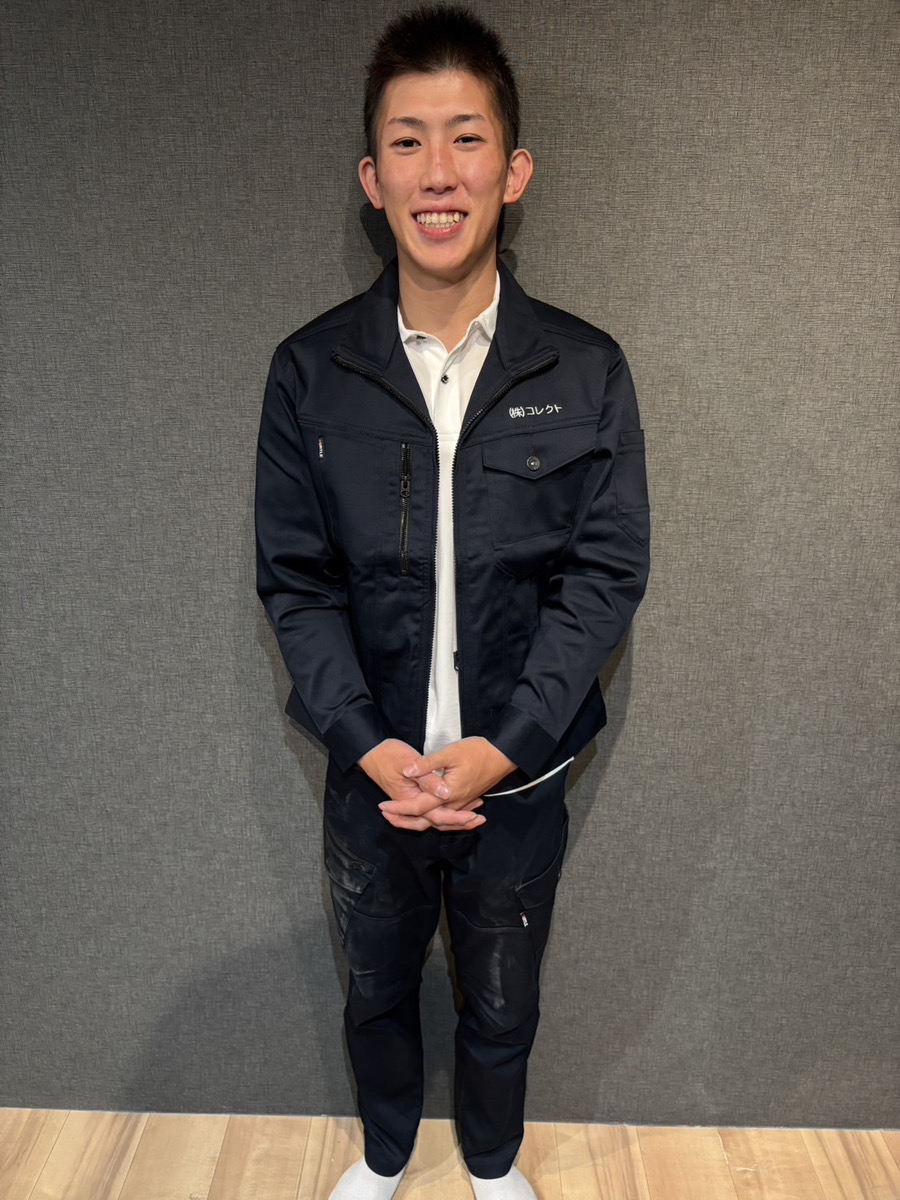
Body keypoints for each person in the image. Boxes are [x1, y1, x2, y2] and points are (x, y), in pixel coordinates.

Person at [254, 6, 650, 1197]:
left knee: (503, 995)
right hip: (370, 774)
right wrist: (368, 745)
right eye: (409, 141)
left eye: (466, 138)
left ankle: (490, 1164)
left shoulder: (585, 369)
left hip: (516, 778)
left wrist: (505, 746)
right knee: (374, 989)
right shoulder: (310, 370)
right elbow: (296, 581)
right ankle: (384, 1158)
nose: (440, 171)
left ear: (513, 170)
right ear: (372, 178)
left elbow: (605, 575)